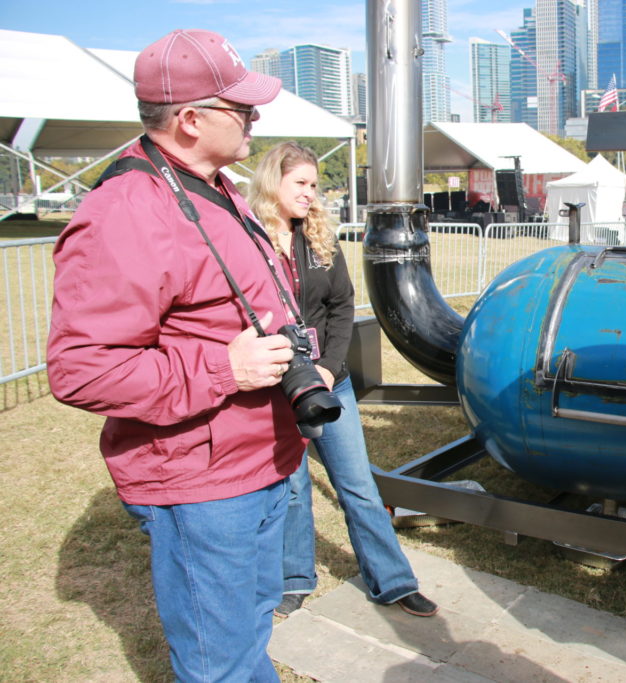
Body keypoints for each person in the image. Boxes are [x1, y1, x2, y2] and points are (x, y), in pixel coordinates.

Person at [47, 29, 302, 681]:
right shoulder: (128, 210)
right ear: (189, 119)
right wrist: (225, 369)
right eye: (241, 108)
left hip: (256, 462)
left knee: (247, 638)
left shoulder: (213, 185)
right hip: (203, 484)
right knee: (219, 662)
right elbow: (82, 368)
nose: (255, 117)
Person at [248, 142, 439, 619]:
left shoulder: (320, 240)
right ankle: (294, 578)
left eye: (314, 185)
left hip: (331, 382)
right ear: (274, 183)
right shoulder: (247, 240)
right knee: (292, 489)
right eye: (301, 184)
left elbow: (341, 309)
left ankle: (393, 582)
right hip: (276, 384)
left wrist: (328, 371)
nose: (311, 194)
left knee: (357, 484)